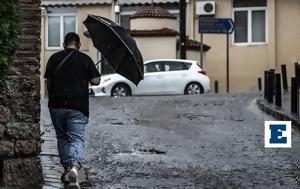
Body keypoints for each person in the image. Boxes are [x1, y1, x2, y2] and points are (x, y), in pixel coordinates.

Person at [44, 32, 101, 188]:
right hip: (78, 106)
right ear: (79, 45)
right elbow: (96, 81)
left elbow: (48, 83)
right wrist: (91, 73)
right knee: (76, 139)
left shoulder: (54, 59)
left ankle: (67, 170)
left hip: (56, 105)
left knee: (62, 138)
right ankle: (74, 170)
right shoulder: (85, 60)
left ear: (64, 44)